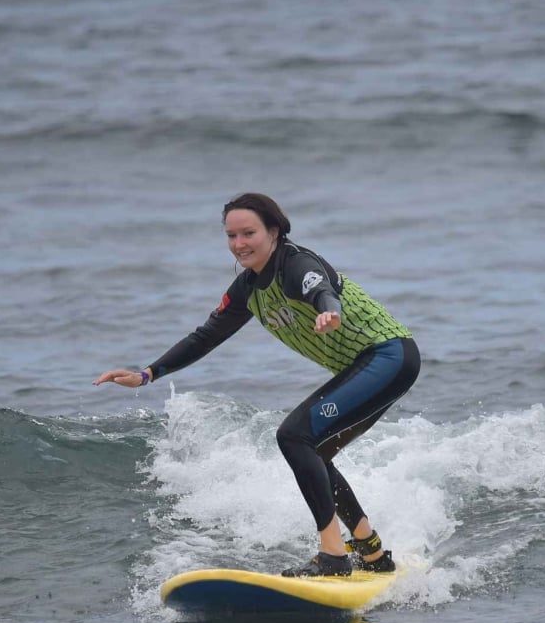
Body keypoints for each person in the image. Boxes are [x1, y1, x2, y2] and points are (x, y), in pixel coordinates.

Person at [95, 192, 420, 577]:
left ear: (274, 231)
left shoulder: (296, 265)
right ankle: (372, 553)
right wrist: (148, 374)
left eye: (248, 233)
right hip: (372, 365)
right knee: (312, 450)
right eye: (231, 236)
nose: (239, 244)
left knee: (294, 437)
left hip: (387, 356)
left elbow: (323, 290)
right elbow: (205, 336)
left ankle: (333, 556)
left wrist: (328, 312)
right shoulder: (248, 289)